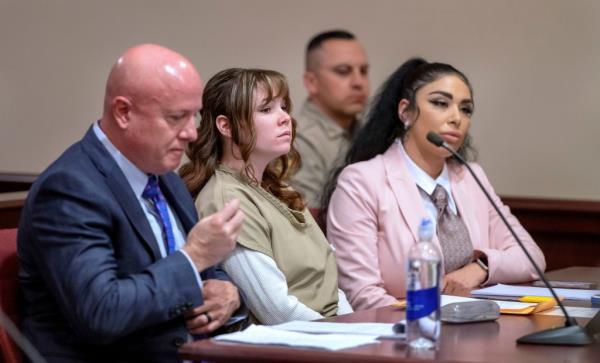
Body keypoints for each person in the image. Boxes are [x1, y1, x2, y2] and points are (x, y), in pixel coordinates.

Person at [17, 44, 246, 362]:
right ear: (123, 112)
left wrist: (228, 293)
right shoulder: (69, 189)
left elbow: (209, 270)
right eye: (176, 117)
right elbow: (101, 312)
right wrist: (193, 257)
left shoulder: (163, 175)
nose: (192, 133)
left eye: (194, 116)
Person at [323, 58, 546, 310]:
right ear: (405, 112)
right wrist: (431, 324)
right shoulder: (362, 181)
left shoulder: (471, 177)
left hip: (476, 327)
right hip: (401, 335)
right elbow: (362, 294)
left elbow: (531, 257)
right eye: (440, 103)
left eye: (466, 109)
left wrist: (481, 268)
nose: (456, 118)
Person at [180, 68, 353, 325]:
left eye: (284, 107)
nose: (285, 118)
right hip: (296, 345)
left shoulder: (281, 190)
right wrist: (348, 336)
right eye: (266, 109)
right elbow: (277, 312)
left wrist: (356, 327)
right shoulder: (226, 199)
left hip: (330, 334)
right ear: (226, 126)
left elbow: (329, 288)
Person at [291, 30, 370, 209]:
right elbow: (306, 222)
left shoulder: (367, 131)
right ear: (312, 82)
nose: (359, 82)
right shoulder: (296, 140)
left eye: (363, 71)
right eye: (343, 71)